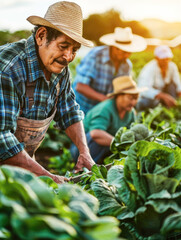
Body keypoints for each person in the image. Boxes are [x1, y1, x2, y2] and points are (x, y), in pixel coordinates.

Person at [0, 1, 96, 183]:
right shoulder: (8, 69)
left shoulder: (59, 68)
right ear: (41, 36)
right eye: (63, 46)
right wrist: (48, 177)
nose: (68, 57)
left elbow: (69, 111)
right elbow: (1, 138)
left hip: (19, 166)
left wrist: (84, 152)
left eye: (74, 50)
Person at [70, 76, 146, 163]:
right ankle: (85, 166)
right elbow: (95, 133)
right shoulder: (105, 109)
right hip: (80, 150)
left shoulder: (130, 112)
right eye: (130, 98)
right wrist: (120, 143)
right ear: (119, 96)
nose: (133, 102)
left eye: (136, 98)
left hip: (106, 148)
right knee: (98, 137)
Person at [72, 27, 147, 114]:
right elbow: (80, 86)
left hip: (105, 110)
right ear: (114, 47)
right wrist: (105, 99)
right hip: (83, 108)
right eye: (123, 51)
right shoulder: (96, 56)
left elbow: (122, 91)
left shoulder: (126, 65)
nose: (126, 55)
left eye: (128, 52)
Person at [136, 45, 181, 111]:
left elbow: (178, 82)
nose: (166, 61)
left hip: (163, 93)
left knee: (172, 86)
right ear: (156, 58)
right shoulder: (149, 69)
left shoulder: (172, 66)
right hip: (150, 97)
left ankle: (171, 108)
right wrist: (163, 96)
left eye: (167, 59)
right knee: (147, 102)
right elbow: (143, 89)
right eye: (163, 59)